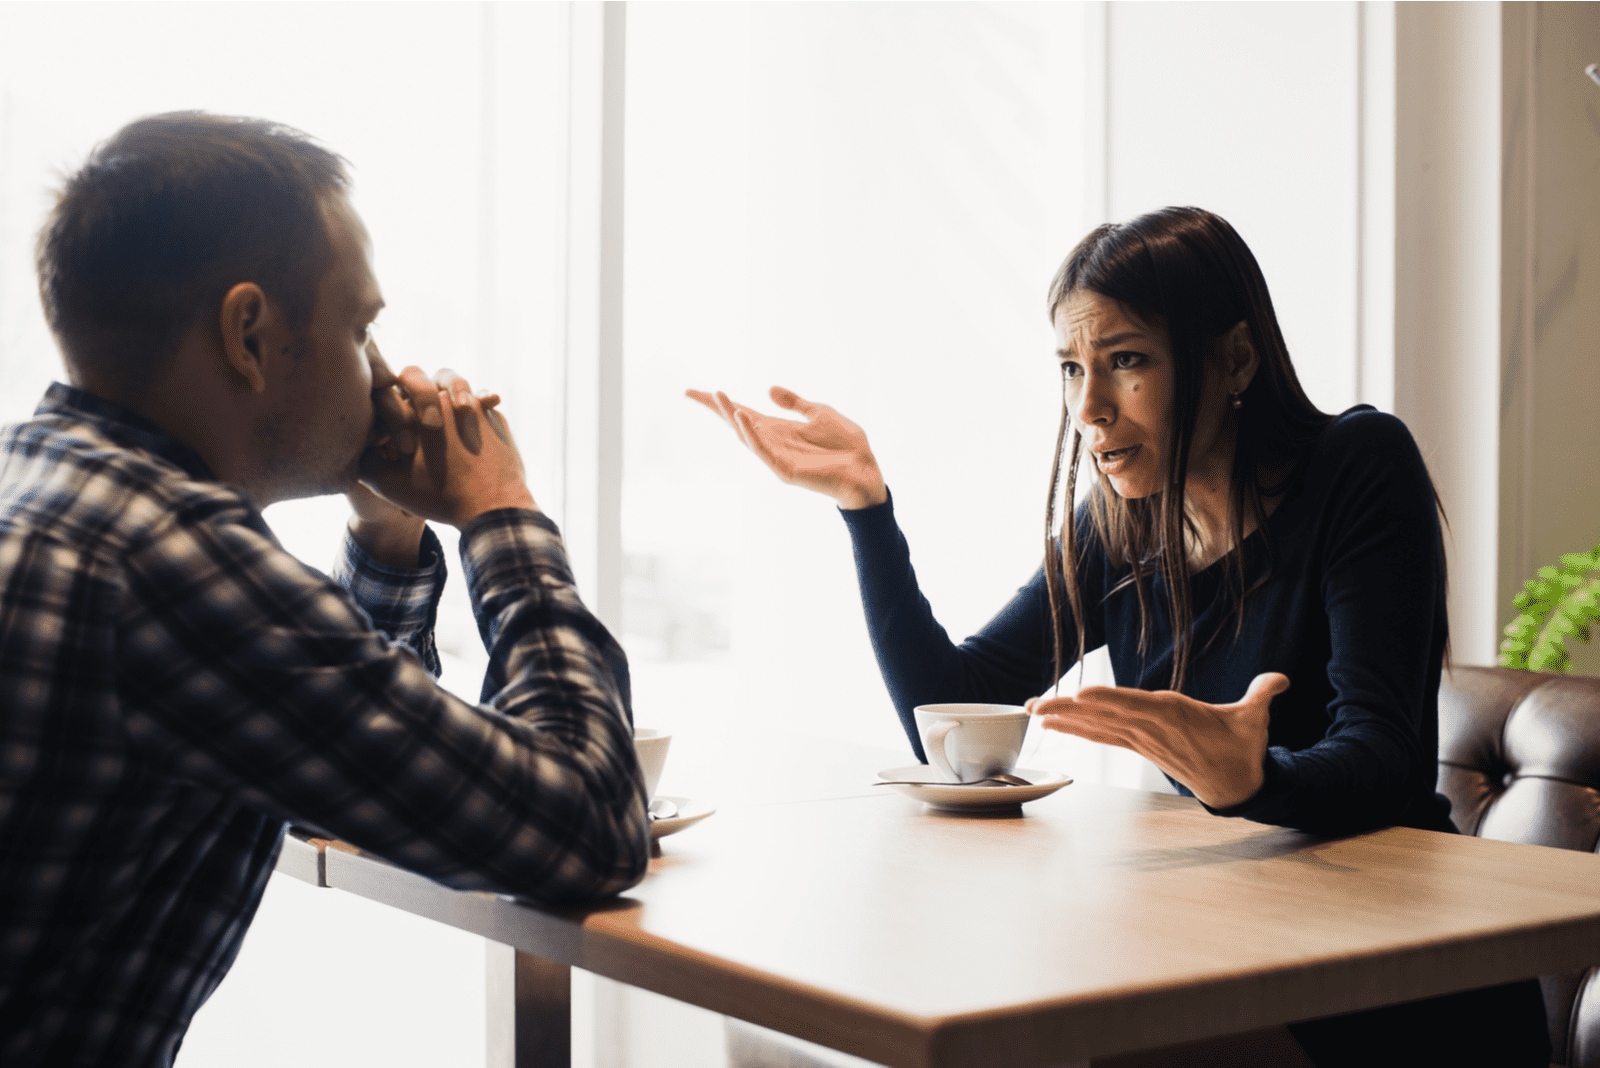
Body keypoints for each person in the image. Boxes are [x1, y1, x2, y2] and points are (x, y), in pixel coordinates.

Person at [689, 207, 1549, 1067]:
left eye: (1127, 361)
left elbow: (1386, 757)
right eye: (1072, 368)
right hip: (1233, 949)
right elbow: (948, 713)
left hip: (1402, 987)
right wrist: (866, 509)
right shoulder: (1120, 527)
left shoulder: (1359, 464)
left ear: (1235, 358)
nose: (1089, 408)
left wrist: (1254, 777)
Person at [0, 112, 649, 1067]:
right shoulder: (164, 562)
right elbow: (586, 827)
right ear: (251, 334)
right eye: (360, 328)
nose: (383, 375)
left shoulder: (53, 488)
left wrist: (385, 541)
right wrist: (501, 514)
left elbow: (334, 764)